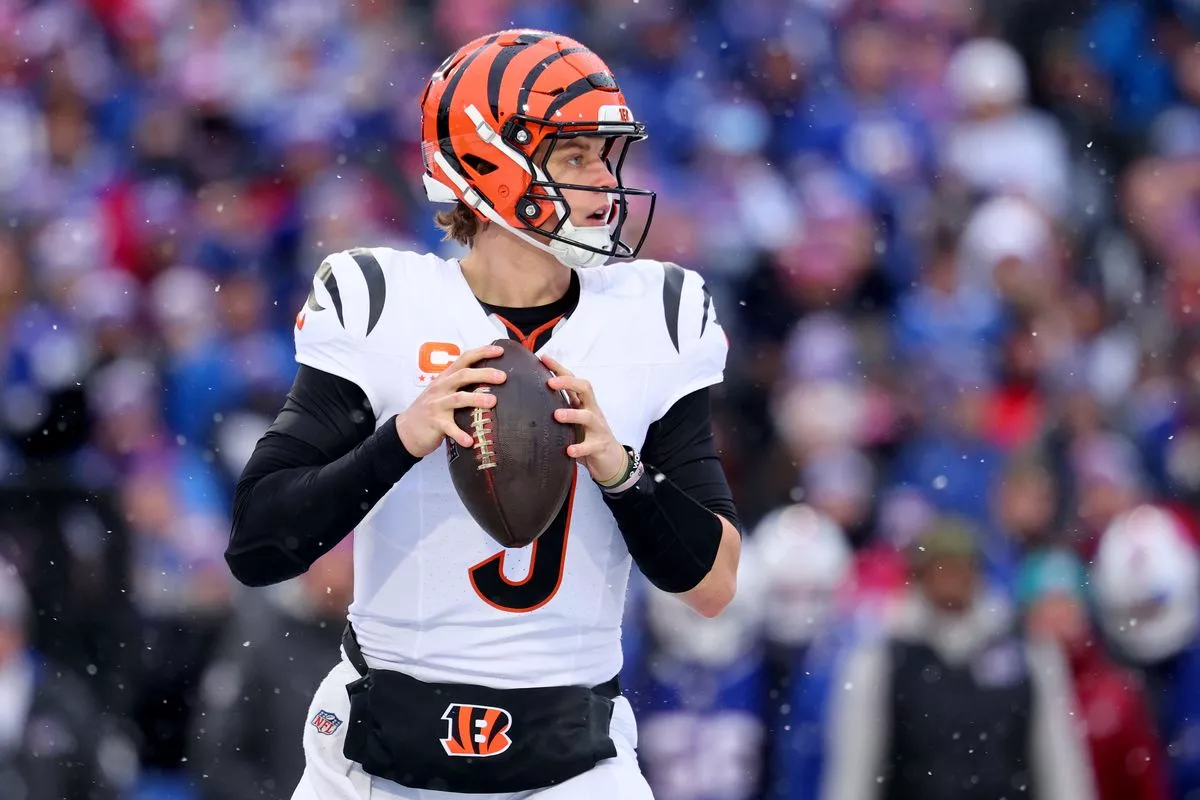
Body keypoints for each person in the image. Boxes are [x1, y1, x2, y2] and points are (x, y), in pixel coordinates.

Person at [225, 28, 741, 800]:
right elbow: (259, 545)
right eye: (577, 157)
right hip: (378, 759)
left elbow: (714, 585)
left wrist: (621, 472)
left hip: (573, 760)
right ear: (489, 166)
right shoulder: (380, 302)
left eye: (606, 156)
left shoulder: (657, 317)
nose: (606, 181)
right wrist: (402, 438)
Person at [820, 517, 1096, 800]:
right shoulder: (884, 656)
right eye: (940, 568)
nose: (950, 578)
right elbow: (857, 763)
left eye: (959, 567)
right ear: (920, 574)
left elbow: (1058, 755)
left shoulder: (1025, 649)